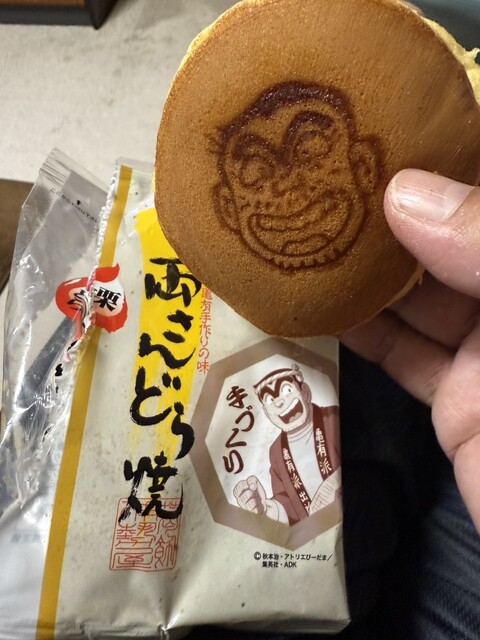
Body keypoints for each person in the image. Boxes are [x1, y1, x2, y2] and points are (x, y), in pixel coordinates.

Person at [233, 366, 341, 524]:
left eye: (286, 390)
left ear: (305, 392)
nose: (279, 402)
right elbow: (288, 504)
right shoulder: (276, 451)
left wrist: (335, 483)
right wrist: (266, 508)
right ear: (267, 413)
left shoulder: (333, 417)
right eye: (269, 400)